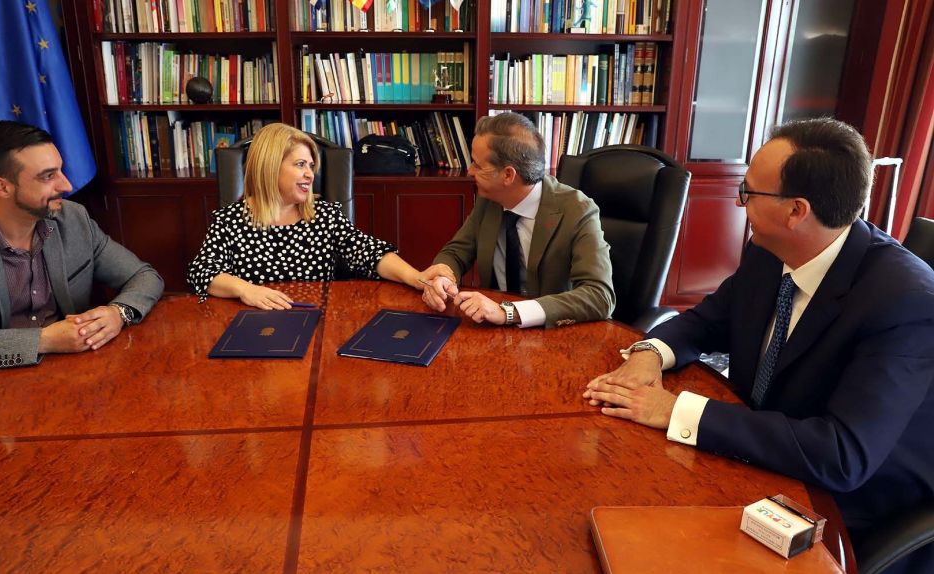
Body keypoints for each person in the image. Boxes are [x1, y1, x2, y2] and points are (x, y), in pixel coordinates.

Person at [583, 118, 934, 573]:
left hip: (844, 505)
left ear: (796, 211)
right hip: (761, 458)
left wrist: (674, 410)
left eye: (748, 192)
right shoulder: (769, 251)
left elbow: (842, 455)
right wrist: (649, 355)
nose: (738, 201)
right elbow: (707, 321)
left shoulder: (904, 300)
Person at [0, 120, 164, 375]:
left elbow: (143, 276)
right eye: (48, 176)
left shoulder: (73, 219)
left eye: (60, 170)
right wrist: (42, 341)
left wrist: (118, 312)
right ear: (1, 187)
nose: (66, 186)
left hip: (73, 372)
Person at [187, 123, 434, 306]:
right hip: (255, 326)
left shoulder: (324, 216)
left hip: (316, 323)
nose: (310, 174)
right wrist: (245, 289)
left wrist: (417, 278)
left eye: (311, 166)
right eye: (300, 164)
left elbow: (369, 252)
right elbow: (202, 272)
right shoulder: (230, 221)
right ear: (270, 166)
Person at [421, 112, 615, 328]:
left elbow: (599, 296)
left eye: (477, 165)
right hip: (490, 328)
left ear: (508, 175)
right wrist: (443, 277)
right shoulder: (490, 199)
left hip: (552, 333)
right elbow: (456, 252)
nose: (469, 171)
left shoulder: (577, 210)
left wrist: (510, 312)